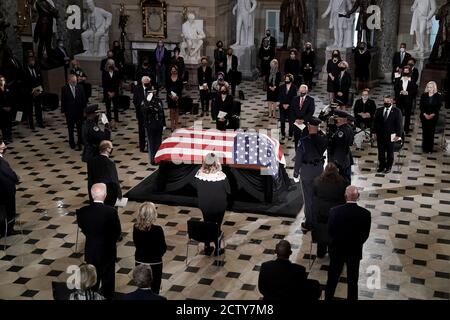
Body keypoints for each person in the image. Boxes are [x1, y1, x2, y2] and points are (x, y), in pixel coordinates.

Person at [77, 183, 122, 300]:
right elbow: (117, 232)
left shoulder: (82, 211)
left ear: (92, 195)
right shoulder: (111, 212)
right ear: (105, 195)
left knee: (92, 278)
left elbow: (83, 227)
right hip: (108, 250)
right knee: (108, 278)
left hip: (91, 250)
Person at [325, 186, 371, 300]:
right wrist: (356, 244)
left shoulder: (334, 211)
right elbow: (365, 235)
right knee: (352, 281)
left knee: (332, 279)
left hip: (337, 251)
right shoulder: (365, 213)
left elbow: (330, 232)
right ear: (358, 197)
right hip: (354, 251)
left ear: (345, 196)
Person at [293, 117, 328, 233]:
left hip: (307, 171)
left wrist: (296, 172)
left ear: (308, 127)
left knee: (308, 199)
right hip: (319, 170)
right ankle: (317, 220)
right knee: (317, 197)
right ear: (317, 128)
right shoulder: (322, 139)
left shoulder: (303, 141)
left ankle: (309, 223)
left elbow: (298, 158)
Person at [194, 153, 230, 256]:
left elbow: (196, 187)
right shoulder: (221, 176)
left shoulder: (199, 174)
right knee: (216, 226)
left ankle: (207, 246)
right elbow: (228, 190)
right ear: (216, 163)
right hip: (219, 206)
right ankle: (218, 247)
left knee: (207, 223)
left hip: (204, 205)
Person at [312, 163, 349, 258]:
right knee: (334, 234)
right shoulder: (343, 182)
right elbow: (344, 197)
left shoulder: (317, 181)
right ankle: (333, 254)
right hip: (336, 213)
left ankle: (321, 253)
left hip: (322, 213)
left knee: (322, 232)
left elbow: (314, 196)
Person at [132, 202, 167, 294]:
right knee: (155, 289)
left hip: (140, 261)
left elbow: (136, 244)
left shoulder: (135, 227)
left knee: (141, 287)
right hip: (155, 263)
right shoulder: (158, 229)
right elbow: (163, 248)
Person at [373, 95, 403, 173]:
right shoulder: (379, 110)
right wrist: (374, 132)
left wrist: (398, 135)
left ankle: (388, 167)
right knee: (381, 152)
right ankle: (381, 166)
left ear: (392, 101)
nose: (386, 103)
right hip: (380, 135)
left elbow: (399, 124)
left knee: (390, 152)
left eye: (388, 101)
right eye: (385, 101)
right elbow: (375, 123)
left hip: (391, 136)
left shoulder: (397, 111)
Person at [87, 140, 122, 207]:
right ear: (107, 149)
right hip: (108, 194)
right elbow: (114, 180)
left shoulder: (91, 161)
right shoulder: (110, 162)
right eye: (111, 148)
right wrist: (119, 195)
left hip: (96, 192)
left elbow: (90, 179)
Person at [61, 74, 87, 151]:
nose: (75, 83)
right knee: (70, 129)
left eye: (76, 81)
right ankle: (71, 142)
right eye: (73, 81)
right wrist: (63, 111)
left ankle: (80, 140)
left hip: (79, 112)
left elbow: (83, 100)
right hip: (69, 113)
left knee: (80, 128)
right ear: (69, 81)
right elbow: (63, 101)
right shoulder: (64, 89)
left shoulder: (80, 87)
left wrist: (85, 110)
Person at [327, 110, 355, 182]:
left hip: (340, 160)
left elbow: (338, 146)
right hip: (346, 157)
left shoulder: (341, 132)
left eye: (336, 119)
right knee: (347, 178)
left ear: (340, 120)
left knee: (342, 179)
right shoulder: (349, 128)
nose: (335, 120)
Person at [0, 140, 19, 238]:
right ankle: (8, 230)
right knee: (9, 211)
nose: (4, 145)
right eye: (2, 143)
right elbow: (9, 173)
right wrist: (16, 178)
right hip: (6, 191)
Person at [142, 87, 165, 165]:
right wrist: (148, 103)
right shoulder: (145, 101)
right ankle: (152, 159)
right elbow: (144, 112)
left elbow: (162, 113)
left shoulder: (159, 101)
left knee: (158, 142)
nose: (153, 93)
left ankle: (158, 158)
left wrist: (164, 124)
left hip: (158, 124)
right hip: (150, 125)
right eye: (151, 92)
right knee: (151, 143)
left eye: (154, 91)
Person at [420, 81, 443, 153]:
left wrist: (432, 115)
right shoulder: (424, 95)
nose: (429, 89)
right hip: (424, 116)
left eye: (431, 87)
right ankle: (424, 148)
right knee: (425, 132)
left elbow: (438, 107)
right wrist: (425, 114)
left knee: (431, 133)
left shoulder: (438, 96)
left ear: (434, 88)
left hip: (433, 116)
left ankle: (430, 149)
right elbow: (421, 107)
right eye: (428, 87)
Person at [394, 65, 418, 134]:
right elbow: (396, 88)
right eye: (405, 70)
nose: (406, 72)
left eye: (407, 71)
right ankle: (398, 128)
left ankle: (406, 129)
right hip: (400, 98)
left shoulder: (412, 80)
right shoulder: (399, 79)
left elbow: (415, 90)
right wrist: (400, 91)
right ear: (403, 71)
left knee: (408, 115)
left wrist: (407, 92)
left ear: (409, 71)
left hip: (408, 99)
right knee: (398, 114)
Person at [23, 56, 44, 129]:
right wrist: (31, 92)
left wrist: (40, 91)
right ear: (28, 62)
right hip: (29, 93)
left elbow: (41, 81)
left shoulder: (37, 69)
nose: (32, 62)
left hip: (38, 92)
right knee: (30, 110)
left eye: (33, 61)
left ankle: (40, 122)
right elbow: (24, 84)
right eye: (31, 61)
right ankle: (31, 125)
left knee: (38, 108)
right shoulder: (25, 71)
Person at [133, 76, 152, 153]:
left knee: (149, 130)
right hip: (140, 113)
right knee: (141, 130)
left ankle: (149, 146)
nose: (147, 84)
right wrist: (140, 105)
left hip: (149, 113)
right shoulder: (138, 89)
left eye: (148, 82)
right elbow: (135, 100)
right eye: (145, 82)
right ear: (142, 82)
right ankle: (142, 147)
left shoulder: (151, 89)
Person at [278, 74, 298, 141]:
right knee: (282, 121)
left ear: (291, 80)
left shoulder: (294, 87)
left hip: (291, 107)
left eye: (287, 79)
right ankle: (283, 134)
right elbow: (279, 96)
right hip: (282, 106)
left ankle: (290, 134)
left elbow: (294, 98)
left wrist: (288, 104)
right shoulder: (281, 87)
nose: (286, 80)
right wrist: (283, 104)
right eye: (285, 79)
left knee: (291, 122)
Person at [102, 59, 121, 124]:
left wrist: (113, 92)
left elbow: (117, 83)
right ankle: (109, 119)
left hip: (115, 92)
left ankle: (116, 119)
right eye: (110, 64)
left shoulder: (116, 72)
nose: (111, 65)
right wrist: (109, 92)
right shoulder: (104, 72)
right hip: (107, 92)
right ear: (107, 65)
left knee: (116, 106)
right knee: (108, 107)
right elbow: (104, 84)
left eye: (112, 64)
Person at [166, 65, 183, 131]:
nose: (173, 71)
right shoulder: (168, 78)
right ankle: (172, 125)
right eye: (172, 70)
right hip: (170, 97)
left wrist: (177, 96)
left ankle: (176, 125)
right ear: (170, 71)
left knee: (176, 111)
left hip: (177, 97)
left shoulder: (180, 78)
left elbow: (181, 88)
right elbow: (167, 88)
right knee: (171, 111)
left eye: (175, 70)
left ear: (177, 71)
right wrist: (171, 96)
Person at [0, 76, 13, 142]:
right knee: (3, 124)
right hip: (1, 110)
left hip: (9, 108)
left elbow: (11, 98)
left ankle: (9, 136)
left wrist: (10, 107)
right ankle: (5, 137)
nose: (2, 81)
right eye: (1, 80)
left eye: (3, 80)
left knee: (9, 123)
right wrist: (3, 107)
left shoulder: (7, 88)